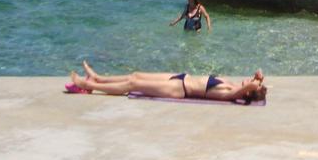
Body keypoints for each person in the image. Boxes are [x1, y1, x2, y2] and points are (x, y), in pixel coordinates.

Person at [69, 61, 266, 103]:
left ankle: (89, 86)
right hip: (180, 77)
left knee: (133, 85)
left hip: (179, 89)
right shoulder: (233, 86)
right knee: (135, 75)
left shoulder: (231, 94)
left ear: (249, 91)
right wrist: (259, 79)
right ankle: (99, 78)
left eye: (252, 83)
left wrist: (258, 81)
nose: (250, 79)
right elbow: (255, 81)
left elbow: (254, 83)